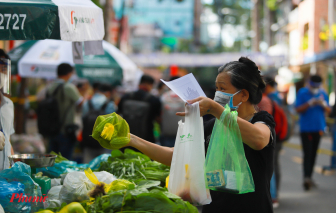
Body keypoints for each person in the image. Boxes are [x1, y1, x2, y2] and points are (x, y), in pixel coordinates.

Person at [124, 57, 275, 213]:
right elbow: (176, 155)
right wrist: (132, 139)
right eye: (216, 89)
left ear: (243, 94)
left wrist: (215, 109)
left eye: (222, 89)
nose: (217, 94)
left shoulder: (261, 120)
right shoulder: (213, 126)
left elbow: (259, 140)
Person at [295, 75, 331, 191]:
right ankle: (306, 177)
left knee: (314, 154)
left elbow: (329, 111)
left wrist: (323, 104)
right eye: (313, 86)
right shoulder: (302, 92)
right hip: (306, 129)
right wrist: (310, 103)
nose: (315, 88)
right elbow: (297, 109)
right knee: (307, 154)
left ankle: (309, 177)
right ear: (309, 83)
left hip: (319, 128)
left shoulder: (323, 93)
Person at [47, 63, 84, 160]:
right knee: (65, 161)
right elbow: (81, 103)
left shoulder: (50, 87)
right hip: (66, 130)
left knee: (52, 161)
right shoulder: (68, 87)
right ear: (68, 74)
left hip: (51, 129)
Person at [118, 75, 162, 144]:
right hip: (146, 140)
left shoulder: (126, 97)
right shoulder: (154, 100)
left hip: (126, 137)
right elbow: (158, 119)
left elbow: (118, 114)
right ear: (150, 85)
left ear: (139, 83)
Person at [82, 83, 117, 163]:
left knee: (88, 167)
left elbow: (83, 119)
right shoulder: (110, 104)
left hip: (88, 140)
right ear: (108, 93)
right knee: (103, 167)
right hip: (104, 142)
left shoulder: (87, 103)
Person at [0, 49, 15, 171]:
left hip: (5, 173)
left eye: (4, 70)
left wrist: (13, 166)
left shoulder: (9, 104)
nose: (1, 73)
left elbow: (8, 138)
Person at [160, 76, 185, 147]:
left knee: (166, 155)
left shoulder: (163, 96)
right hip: (183, 133)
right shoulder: (185, 95)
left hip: (166, 132)